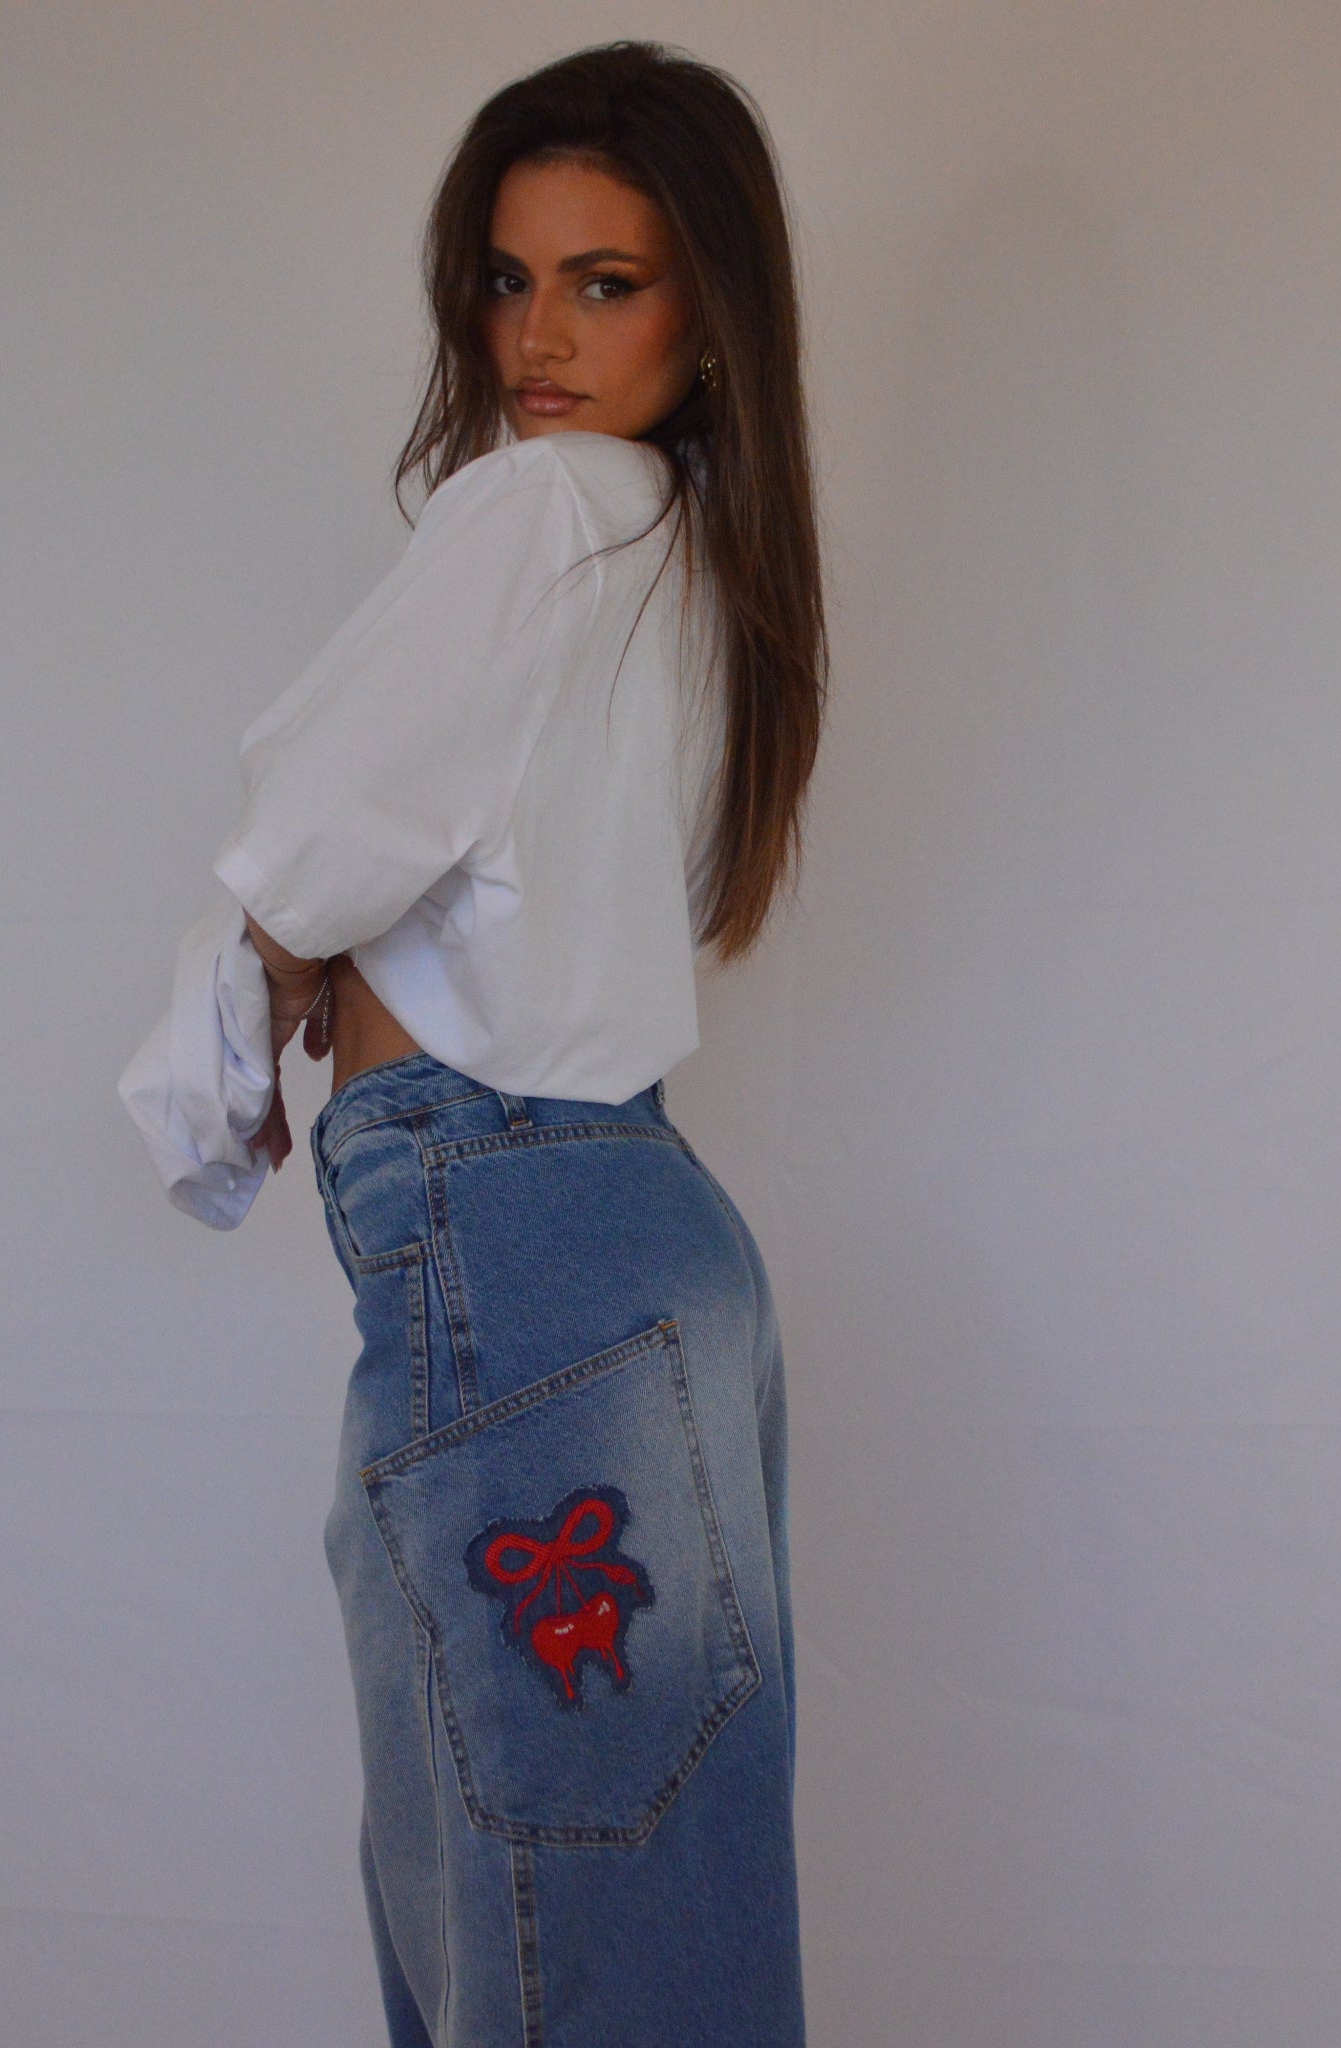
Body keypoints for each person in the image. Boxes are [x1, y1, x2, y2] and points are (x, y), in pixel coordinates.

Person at [121, 39, 826, 2047]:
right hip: (633, 1256)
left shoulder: (545, 513)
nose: (540, 336)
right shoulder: (684, 548)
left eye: (607, 282)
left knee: (540, 1946)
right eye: (508, 280)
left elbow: (324, 823)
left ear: (710, 309)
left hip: (523, 1257)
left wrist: (220, 1042)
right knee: (630, 1932)